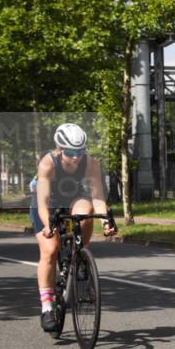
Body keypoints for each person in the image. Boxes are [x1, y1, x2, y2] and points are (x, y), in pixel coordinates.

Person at [31, 123, 116, 331]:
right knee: (50, 250)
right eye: (70, 152)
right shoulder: (47, 163)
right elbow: (42, 203)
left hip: (72, 197)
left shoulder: (90, 164)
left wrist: (105, 221)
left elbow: (97, 197)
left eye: (80, 151)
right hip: (46, 204)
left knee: (85, 212)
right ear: (60, 149)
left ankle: (81, 255)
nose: (76, 156)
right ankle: (47, 307)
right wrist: (47, 225)